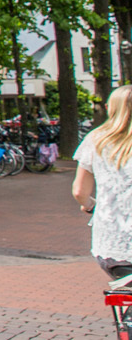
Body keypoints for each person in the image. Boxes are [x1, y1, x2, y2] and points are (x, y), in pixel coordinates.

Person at [74, 84, 132, 280]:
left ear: (110, 108)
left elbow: (79, 191)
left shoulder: (95, 139)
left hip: (111, 248)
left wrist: (90, 205)